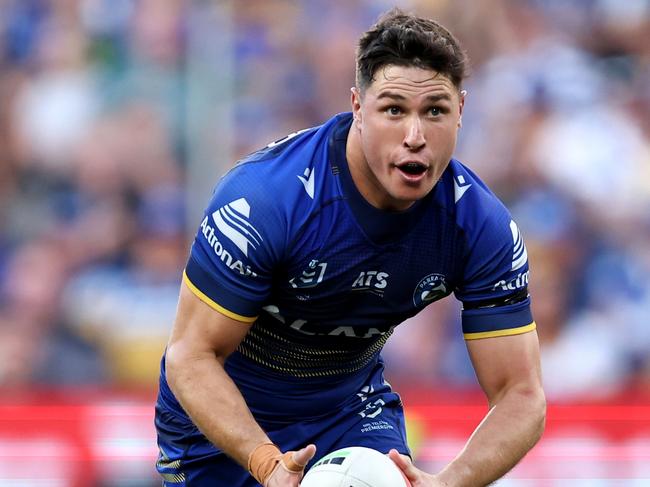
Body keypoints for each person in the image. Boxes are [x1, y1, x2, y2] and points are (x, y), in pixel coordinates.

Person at [154, 8, 545, 487]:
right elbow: (190, 357)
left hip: (349, 412)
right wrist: (265, 462)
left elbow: (521, 394)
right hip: (222, 424)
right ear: (358, 107)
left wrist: (450, 481)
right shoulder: (265, 201)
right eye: (394, 110)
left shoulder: (480, 228)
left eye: (435, 111)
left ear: (461, 110)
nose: (416, 137)